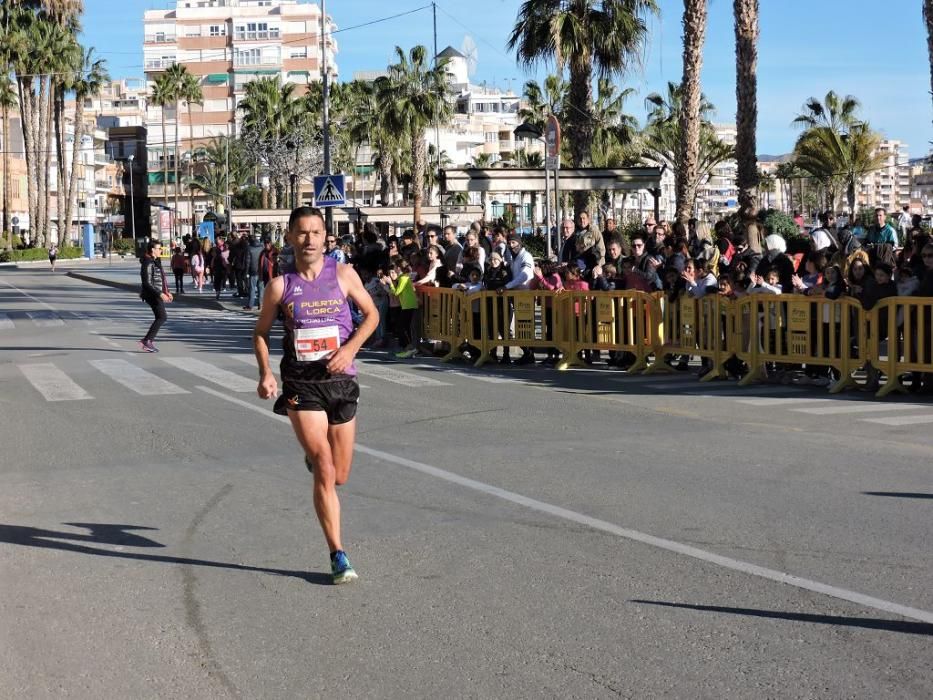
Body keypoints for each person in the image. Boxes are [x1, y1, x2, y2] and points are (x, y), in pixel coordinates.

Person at [253, 206, 378, 585]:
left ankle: (318, 463)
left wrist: (350, 349)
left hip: (340, 383)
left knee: (339, 475)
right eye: (302, 233)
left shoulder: (343, 275)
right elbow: (260, 334)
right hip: (301, 385)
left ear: (326, 237)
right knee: (324, 465)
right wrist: (265, 373)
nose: (309, 239)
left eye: (316, 232)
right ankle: (337, 554)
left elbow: (371, 316)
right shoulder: (280, 286)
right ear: (290, 238)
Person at [139, 240, 173, 352]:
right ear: (152, 250)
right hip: (151, 294)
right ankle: (147, 341)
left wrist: (167, 292)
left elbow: (161, 279)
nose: (161, 250)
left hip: (156, 292)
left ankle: (147, 340)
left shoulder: (155, 261)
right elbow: (147, 283)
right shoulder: (147, 263)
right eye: (159, 248)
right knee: (162, 317)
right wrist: (160, 294)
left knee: (161, 317)